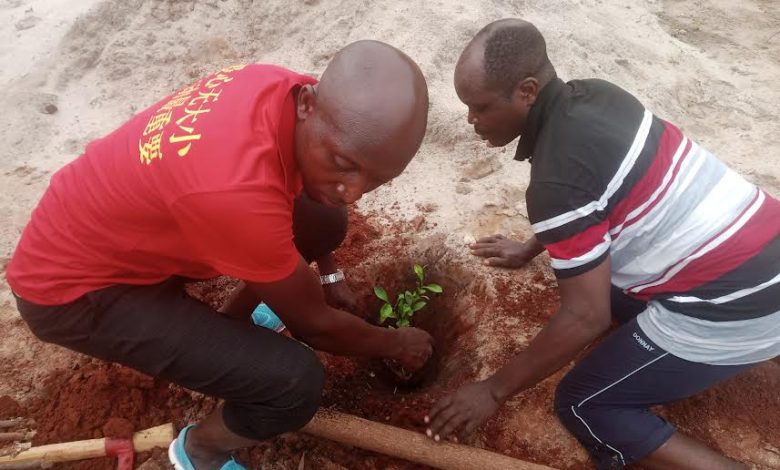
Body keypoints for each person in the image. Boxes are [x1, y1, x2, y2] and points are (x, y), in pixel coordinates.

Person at [6, 40, 433, 470]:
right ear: (307, 103)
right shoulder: (235, 194)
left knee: (325, 218)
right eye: (343, 162)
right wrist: (396, 344)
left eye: (378, 179)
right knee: (293, 383)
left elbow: (322, 210)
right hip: (76, 292)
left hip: (126, 229)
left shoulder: (278, 89)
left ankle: (234, 326)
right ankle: (201, 450)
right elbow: (316, 330)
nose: (355, 191)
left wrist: (329, 273)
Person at [425, 19, 779, 470]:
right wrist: (532, 248)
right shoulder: (596, 94)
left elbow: (586, 317)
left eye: (479, 107)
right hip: (767, 250)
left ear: (527, 91)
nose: (471, 120)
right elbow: (596, 195)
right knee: (600, 287)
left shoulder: (553, 184)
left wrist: (492, 390)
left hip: (734, 308)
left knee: (583, 403)